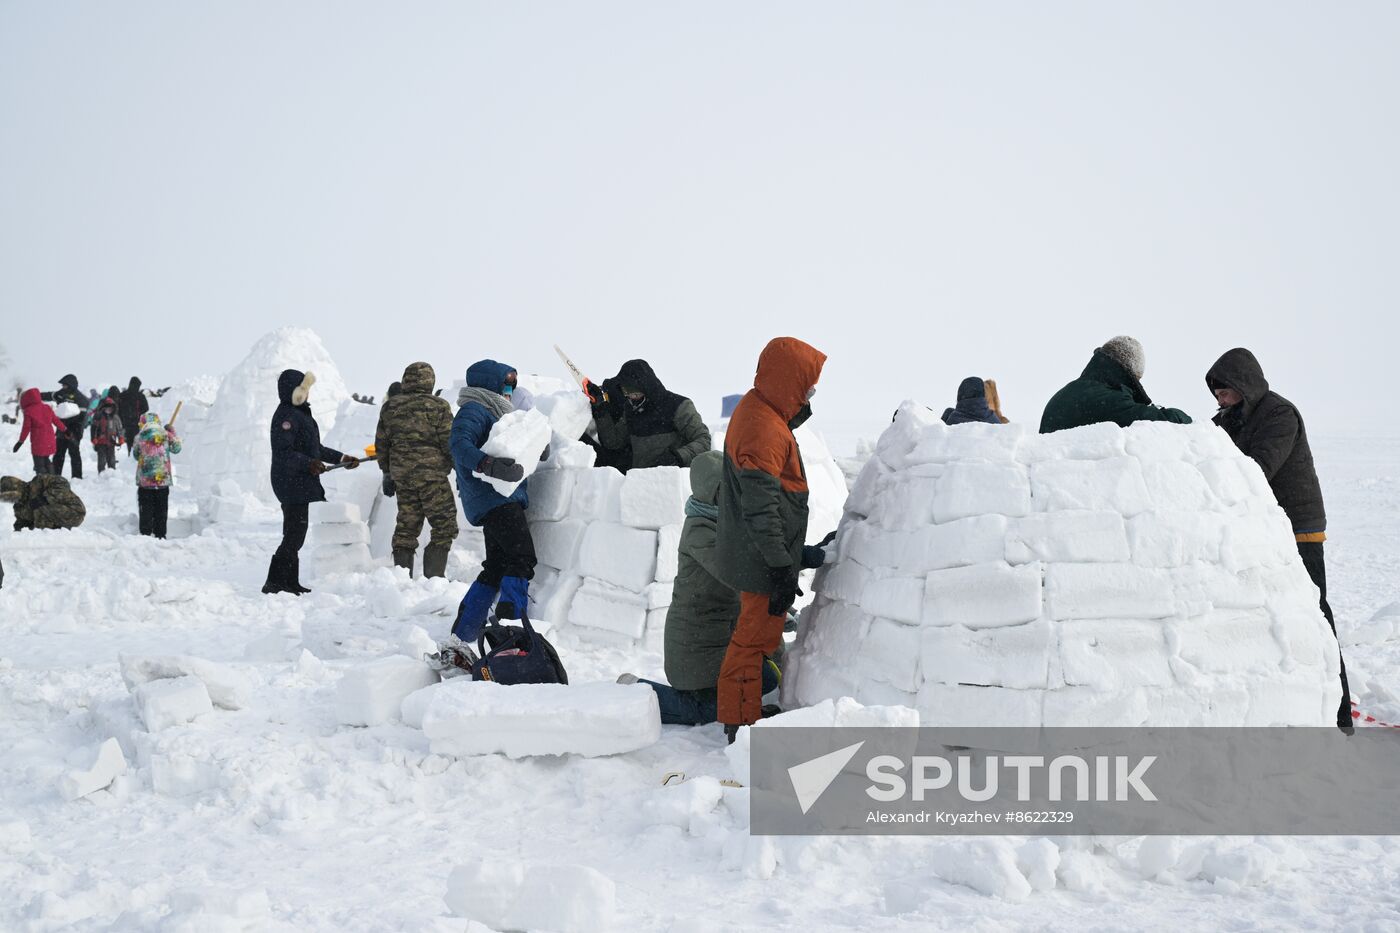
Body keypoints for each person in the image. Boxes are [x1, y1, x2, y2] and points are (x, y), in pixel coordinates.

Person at [1206, 347, 1352, 731]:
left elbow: (1257, 467)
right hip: (1267, 527)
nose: (1220, 399)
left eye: (1225, 391)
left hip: (1299, 526)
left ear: (1243, 384)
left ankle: (1339, 712)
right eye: (1217, 394)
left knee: (1315, 612)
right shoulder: (1231, 418)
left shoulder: (1277, 413)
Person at [623, 451, 814, 725]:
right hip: (696, 649)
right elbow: (739, 573)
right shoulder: (700, 531)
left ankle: (732, 701)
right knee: (724, 703)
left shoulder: (731, 525)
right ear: (712, 493)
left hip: (722, 639)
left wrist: (802, 557)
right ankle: (640, 693)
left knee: (765, 675)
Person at [714, 337, 827, 740]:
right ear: (789, 380)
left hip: (758, 554)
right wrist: (781, 566)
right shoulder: (763, 428)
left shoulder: (761, 410)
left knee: (755, 637)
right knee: (752, 642)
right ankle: (741, 725)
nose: (812, 392)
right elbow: (761, 510)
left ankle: (742, 713)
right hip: (761, 558)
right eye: (808, 385)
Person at [448, 360, 544, 645]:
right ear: (488, 384)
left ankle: (464, 632)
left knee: (497, 565)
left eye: (512, 385)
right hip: (496, 498)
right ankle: (511, 633)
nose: (508, 391)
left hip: (497, 498)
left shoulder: (496, 413)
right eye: (505, 384)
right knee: (522, 558)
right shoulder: (474, 409)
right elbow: (459, 444)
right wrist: (488, 465)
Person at [263, 370, 359, 595]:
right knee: (295, 533)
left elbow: (316, 449)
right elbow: (284, 452)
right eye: (303, 389)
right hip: (290, 481)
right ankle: (274, 582)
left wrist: (342, 458)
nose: (307, 394)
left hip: (299, 480)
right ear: (293, 391)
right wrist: (309, 464)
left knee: (296, 532)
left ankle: (289, 581)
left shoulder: (300, 414)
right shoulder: (286, 416)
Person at [375, 362, 458, 578]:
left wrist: (386, 473)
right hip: (433, 478)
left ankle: (402, 579)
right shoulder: (439, 406)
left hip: (403, 477)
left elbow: (382, 444)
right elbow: (449, 443)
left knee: (406, 527)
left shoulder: (390, 407)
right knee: (444, 527)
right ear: (430, 381)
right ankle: (434, 579)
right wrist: (461, 470)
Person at [1040, 336, 1192, 433]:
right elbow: (1167, 421)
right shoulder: (1110, 401)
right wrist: (1182, 417)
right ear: (1130, 375)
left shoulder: (1064, 394)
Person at [586, 359, 711, 473]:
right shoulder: (630, 409)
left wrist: (677, 456)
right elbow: (613, 442)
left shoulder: (679, 406)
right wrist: (600, 409)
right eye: (627, 394)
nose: (631, 398)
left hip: (670, 480)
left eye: (635, 394)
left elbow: (704, 440)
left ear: (647, 388)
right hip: (640, 482)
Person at [132, 412, 182, 538]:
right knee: (161, 509)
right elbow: (177, 448)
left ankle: (145, 533)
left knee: (146, 508)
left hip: (145, 481)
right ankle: (160, 534)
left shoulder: (139, 436)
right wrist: (172, 433)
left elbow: (136, 455)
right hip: (162, 481)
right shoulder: (166, 435)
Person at [1, 473, 86, 531]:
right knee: (36, 509)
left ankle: (48, 536)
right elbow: (24, 522)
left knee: (39, 507)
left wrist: (45, 498)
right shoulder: (19, 507)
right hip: (58, 520)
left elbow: (63, 483)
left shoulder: (38, 482)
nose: (12, 500)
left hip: (75, 512)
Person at [41, 374, 87, 479]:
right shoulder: (60, 394)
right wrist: (36, 395)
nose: (63, 387)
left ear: (71, 385)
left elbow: (81, 418)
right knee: (58, 454)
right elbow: (49, 395)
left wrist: (73, 431)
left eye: (65, 386)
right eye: (63, 385)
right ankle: (55, 476)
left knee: (74, 453)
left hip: (74, 431)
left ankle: (77, 477)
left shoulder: (81, 399)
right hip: (62, 430)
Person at [14, 388, 66, 475]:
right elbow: (56, 421)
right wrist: (65, 430)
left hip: (38, 441)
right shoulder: (47, 408)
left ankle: (42, 483)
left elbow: (26, 428)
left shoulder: (28, 411)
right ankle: (52, 479)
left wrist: (20, 441)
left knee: (39, 465)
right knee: (46, 460)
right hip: (50, 440)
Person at [90, 387, 124, 474]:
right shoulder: (98, 417)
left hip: (111, 442)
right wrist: (94, 438)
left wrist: (121, 437)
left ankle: (112, 473)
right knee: (101, 460)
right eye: (106, 408)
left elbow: (119, 428)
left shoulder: (115, 418)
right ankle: (101, 474)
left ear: (113, 409)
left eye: (110, 409)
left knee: (111, 459)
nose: (108, 410)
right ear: (103, 408)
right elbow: (94, 428)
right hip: (100, 442)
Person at [118, 377, 149, 458]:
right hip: (136, 423)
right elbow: (146, 408)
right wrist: (138, 413)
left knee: (129, 441)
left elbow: (117, 408)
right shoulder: (140, 396)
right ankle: (135, 459)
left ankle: (130, 456)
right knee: (137, 442)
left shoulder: (122, 395)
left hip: (125, 423)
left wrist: (121, 417)